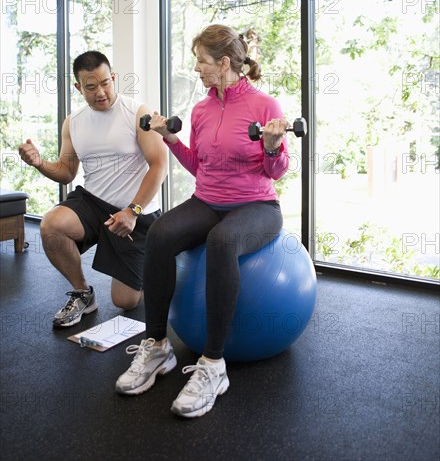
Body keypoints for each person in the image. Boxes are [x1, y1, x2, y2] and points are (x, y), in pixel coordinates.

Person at [115, 24, 291, 418]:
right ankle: (157, 346)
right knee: (159, 232)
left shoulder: (265, 106)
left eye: (201, 61)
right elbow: (201, 167)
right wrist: (171, 139)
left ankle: (213, 365)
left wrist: (273, 146)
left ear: (224, 63)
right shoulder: (202, 109)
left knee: (222, 241)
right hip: (208, 199)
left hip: (257, 207)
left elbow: (276, 172)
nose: (196, 68)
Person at [18, 51, 168, 327]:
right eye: (91, 86)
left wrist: (133, 211)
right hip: (93, 202)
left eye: (105, 83)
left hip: (134, 212)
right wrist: (39, 163)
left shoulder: (138, 113)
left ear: (113, 78)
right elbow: (66, 172)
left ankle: (157, 264)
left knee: (125, 301)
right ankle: (82, 293)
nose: (100, 92)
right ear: (78, 87)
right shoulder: (73, 123)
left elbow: (159, 165)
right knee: (51, 225)